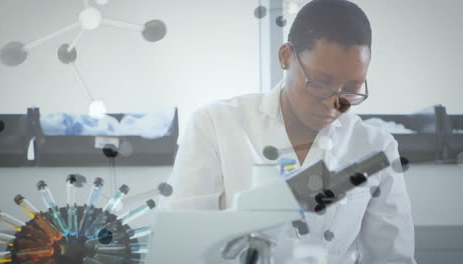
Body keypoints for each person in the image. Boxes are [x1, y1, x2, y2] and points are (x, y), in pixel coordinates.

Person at [164, 0, 416, 263]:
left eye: (352, 88)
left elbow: (393, 258)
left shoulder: (376, 148)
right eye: (320, 83)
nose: (336, 104)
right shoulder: (215, 124)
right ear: (285, 56)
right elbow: (181, 249)